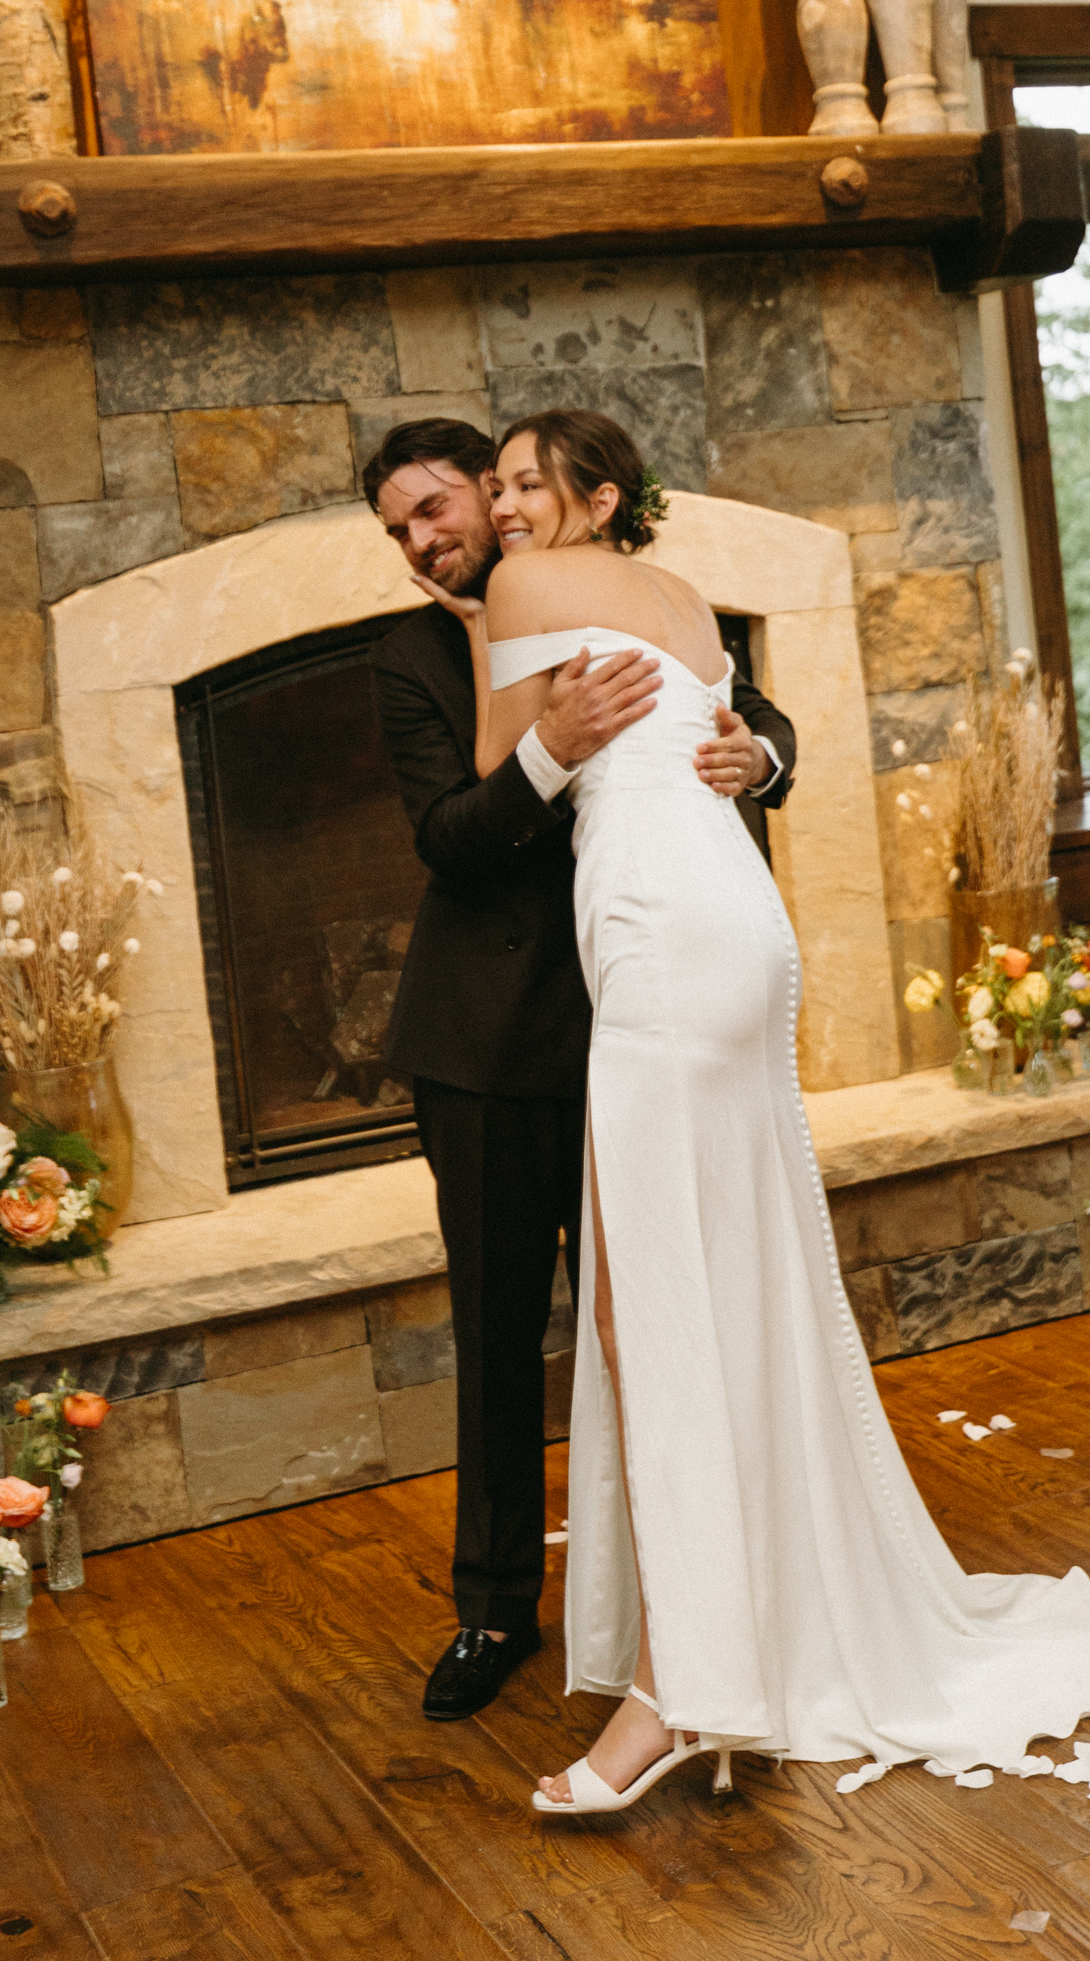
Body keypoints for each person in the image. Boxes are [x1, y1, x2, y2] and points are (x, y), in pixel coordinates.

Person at [418, 405, 1090, 1817]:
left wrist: (474, 621)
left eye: (525, 483)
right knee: (727, 1286)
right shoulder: (687, 595)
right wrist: (752, 758)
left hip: (654, 933)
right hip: (735, 924)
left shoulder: (518, 590)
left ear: (596, 495)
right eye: (497, 488)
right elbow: (724, 730)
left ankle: (680, 1688)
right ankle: (724, 1647)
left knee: (656, 1317)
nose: (503, 506)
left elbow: (493, 772)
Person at [364, 417, 796, 1725]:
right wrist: (549, 742)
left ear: (507, 501)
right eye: (398, 528)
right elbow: (446, 834)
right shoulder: (407, 657)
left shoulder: (615, 589)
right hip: (490, 1049)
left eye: (437, 506)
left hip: (645, 1007)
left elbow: (747, 703)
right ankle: (495, 1608)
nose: (423, 538)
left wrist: (759, 759)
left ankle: (683, 1602)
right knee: (503, 1337)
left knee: (653, 1326)